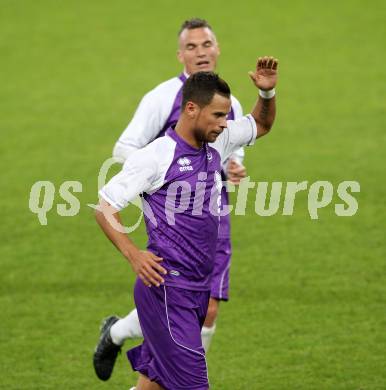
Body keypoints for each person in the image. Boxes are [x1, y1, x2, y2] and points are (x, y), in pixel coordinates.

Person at [95, 58, 278, 390]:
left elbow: (260, 125)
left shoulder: (217, 142)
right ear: (191, 109)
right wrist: (134, 255)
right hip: (168, 292)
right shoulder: (157, 156)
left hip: (197, 288)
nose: (225, 123)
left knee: (154, 384)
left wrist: (267, 94)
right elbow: (105, 207)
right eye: (218, 115)